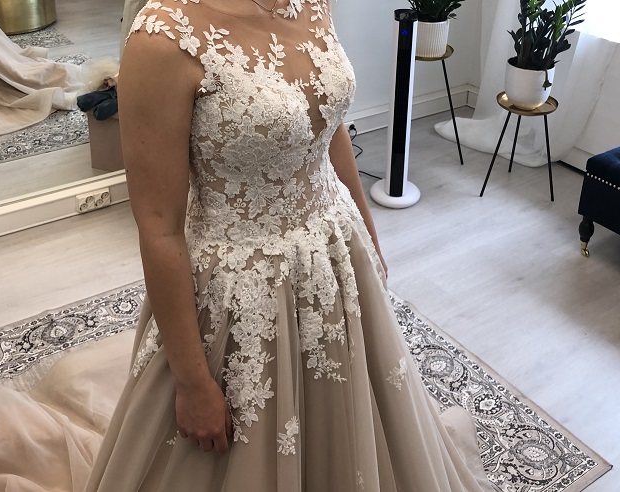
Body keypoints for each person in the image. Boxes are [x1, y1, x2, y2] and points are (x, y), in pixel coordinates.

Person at [85, 0, 494, 490]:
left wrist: (369, 237)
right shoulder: (162, 36)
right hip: (240, 289)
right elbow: (158, 226)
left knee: (347, 427)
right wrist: (193, 385)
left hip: (336, 254)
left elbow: (328, 126)